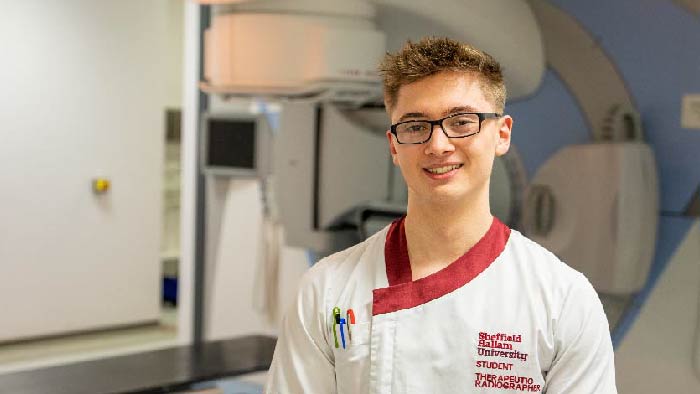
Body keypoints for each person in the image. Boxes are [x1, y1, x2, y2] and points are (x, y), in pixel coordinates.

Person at [265, 37, 617, 394]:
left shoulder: (563, 301)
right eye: (416, 126)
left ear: (502, 134)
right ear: (394, 146)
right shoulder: (326, 291)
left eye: (462, 122)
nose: (438, 145)